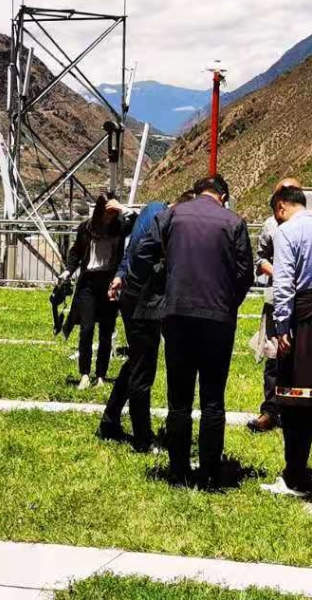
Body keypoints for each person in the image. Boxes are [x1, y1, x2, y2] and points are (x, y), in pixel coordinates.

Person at [128, 175, 255, 487]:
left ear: (197, 193)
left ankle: (178, 470)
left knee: (179, 399)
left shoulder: (171, 215)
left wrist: (151, 283)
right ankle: (210, 470)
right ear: (223, 197)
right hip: (218, 319)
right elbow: (245, 273)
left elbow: (142, 252)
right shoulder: (234, 222)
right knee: (213, 399)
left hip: (177, 316)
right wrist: (229, 302)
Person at [261, 186, 312, 497]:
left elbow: (284, 282)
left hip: (303, 320)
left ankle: (295, 475)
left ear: (281, 207)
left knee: (295, 398)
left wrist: (283, 326)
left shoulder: (287, 231)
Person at [100, 190, 197, 450]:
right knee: (143, 370)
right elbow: (141, 254)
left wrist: (122, 275)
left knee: (136, 362)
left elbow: (131, 249)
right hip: (143, 299)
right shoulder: (163, 218)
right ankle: (142, 438)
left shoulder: (153, 209)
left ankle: (109, 421)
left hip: (135, 294)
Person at [247, 177, 303, 435]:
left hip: (303, 300)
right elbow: (259, 260)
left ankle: (301, 409)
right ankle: (270, 411)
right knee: (273, 355)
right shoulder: (271, 224)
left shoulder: (308, 223)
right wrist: (280, 273)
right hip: (276, 298)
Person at [63, 195, 136, 389]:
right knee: (86, 329)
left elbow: (137, 222)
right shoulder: (86, 228)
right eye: (108, 212)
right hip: (88, 283)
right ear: (100, 211)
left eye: (114, 213)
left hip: (110, 282)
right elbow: (76, 252)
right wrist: (68, 271)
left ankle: (101, 375)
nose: (111, 217)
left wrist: (121, 208)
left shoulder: (120, 227)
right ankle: (85, 374)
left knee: (106, 330)